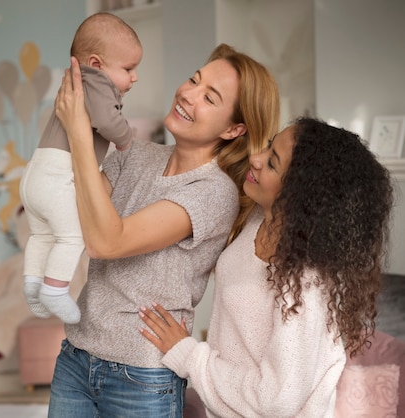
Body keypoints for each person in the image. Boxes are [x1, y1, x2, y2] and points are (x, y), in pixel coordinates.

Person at [48, 43, 281, 417]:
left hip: (141, 375)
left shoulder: (213, 192)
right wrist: (89, 117)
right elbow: (80, 214)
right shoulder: (136, 154)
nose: (188, 94)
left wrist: (79, 133)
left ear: (234, 128)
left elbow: (106, 241)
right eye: (194, 80)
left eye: (209, 97)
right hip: (77, 356)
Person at [139, 117, 394, 417]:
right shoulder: (259, 219)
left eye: (272, 163)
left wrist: (189, 355)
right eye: (270, 145)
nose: (256, 158)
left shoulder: (306, 282)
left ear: (299, 197)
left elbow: (276, 400)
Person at [19, 12, 142, 324]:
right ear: (97, 64)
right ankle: (55, 290)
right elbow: (106, 119)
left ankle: (33, 284)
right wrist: (127, 140)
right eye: (128, 69)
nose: (134, 77)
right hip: (60, 176)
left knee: (41, 236)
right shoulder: (97, 84)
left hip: (34, 177)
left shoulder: (76, 84)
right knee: (72, 237)